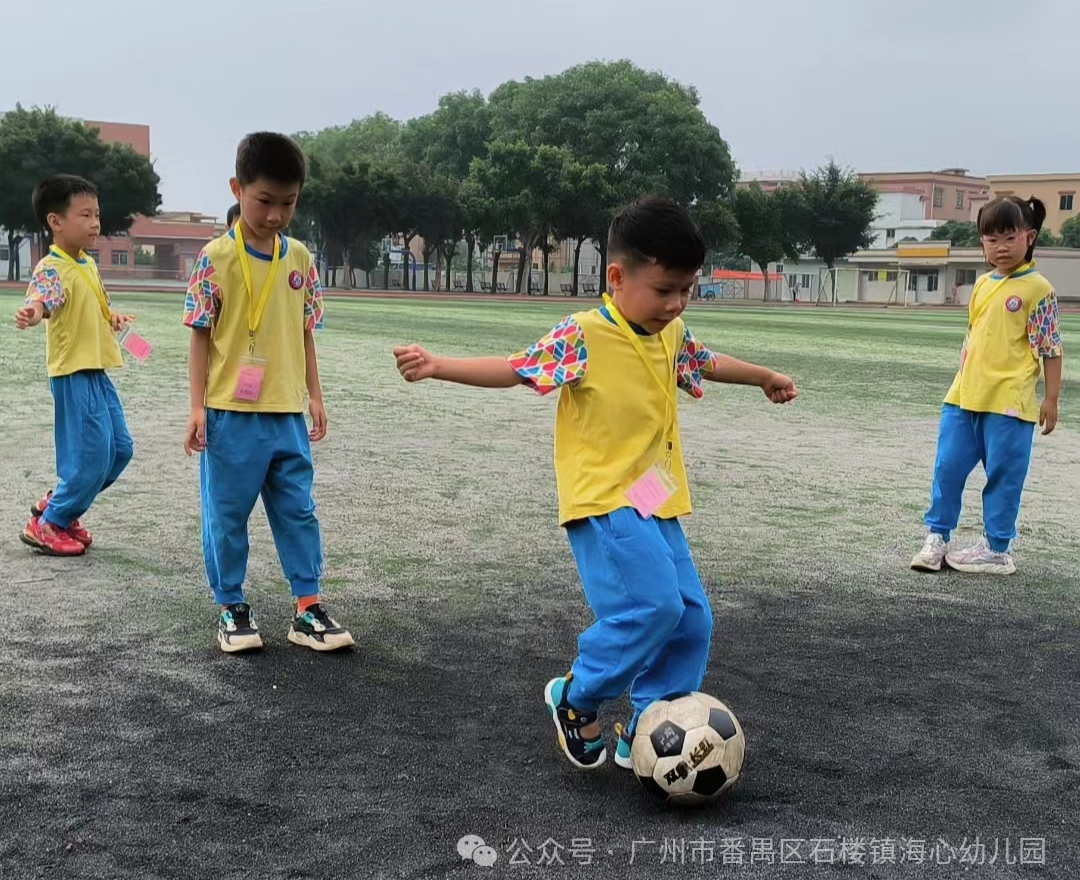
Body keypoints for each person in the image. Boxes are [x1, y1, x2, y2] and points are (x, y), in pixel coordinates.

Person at [394, 197, 797, 769]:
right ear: (617, 277)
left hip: (653, 496)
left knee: (691, 618)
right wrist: (438, 364)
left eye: (686, 290)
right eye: (664, 290)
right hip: (605, 498)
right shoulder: (583, 335)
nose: (676, 303)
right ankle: (576, 695)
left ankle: (646, 726)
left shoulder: (671, 332)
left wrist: (764, 377)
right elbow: (515, 369)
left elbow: (706, 361)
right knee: (654, 606)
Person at [183, 132, 353, 653]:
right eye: (264, 201)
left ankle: (307, 606)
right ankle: (231, 603)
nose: (277, 215)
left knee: (298, 511)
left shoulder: (300, 257)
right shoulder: (214, 257)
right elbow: (200, 334)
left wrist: (314, 395)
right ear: (237, 188)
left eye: (289, 203)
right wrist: (196, 406)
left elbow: (305, 331)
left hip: (286, 413)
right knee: (227, 514)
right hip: (230, 413)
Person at [911, 196, 1062, 575]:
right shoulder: (980, 285)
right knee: (947, 468)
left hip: (1009, 404)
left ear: (1028, 237)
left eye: (1009, 237)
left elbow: (1051, 348)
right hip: (963, 397)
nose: (1000, 247)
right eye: (990, 239)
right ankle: (937, 538)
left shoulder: (1038, 289)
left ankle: (997, 548)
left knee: (1003, 477)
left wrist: (1051, 398)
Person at [14, 174, 135, 557]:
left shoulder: (86, 264)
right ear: (55, 221)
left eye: (97, 214)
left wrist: (111, 318)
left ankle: (60, 506)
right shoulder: (52, 267)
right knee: (90, 456)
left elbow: (93, 305)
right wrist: (32, 313)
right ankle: (48, 524)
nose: (95, 223)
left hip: (97, 370)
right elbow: (43, 300)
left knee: (120, 450)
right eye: (85, 214)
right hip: (73, 374)